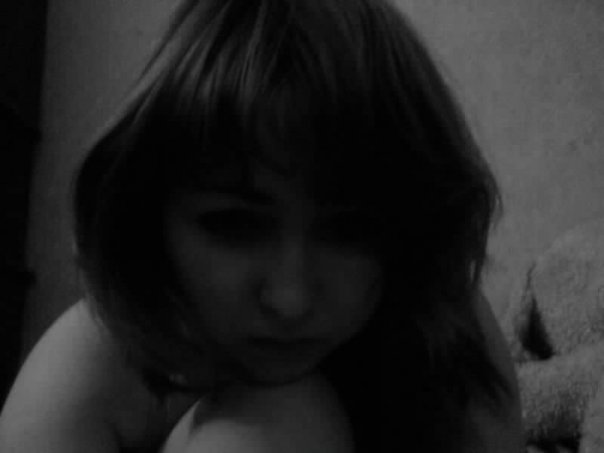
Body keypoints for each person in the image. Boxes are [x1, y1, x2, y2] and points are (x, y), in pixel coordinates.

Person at [0, 0, 524, 451]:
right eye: (233, 225)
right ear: (148, 217)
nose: (290, 299)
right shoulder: (88, 372)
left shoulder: (444, 341)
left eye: (352, 231)